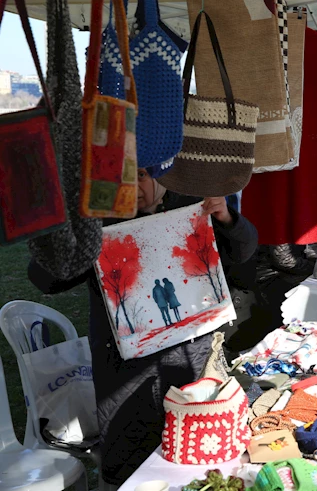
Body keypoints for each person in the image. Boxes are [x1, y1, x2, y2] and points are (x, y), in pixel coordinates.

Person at [28, 168, 259, 486]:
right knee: (131, 462)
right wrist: (75, 234)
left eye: (141, 175)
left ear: (167, 175)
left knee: (199, 455)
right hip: (124, 370)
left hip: (193, 361)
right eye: (120, 175)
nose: (132, 185)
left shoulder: (191, 204)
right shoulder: (100, 220)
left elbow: (244, 251)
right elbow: (45, 279)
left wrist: (227, 219)